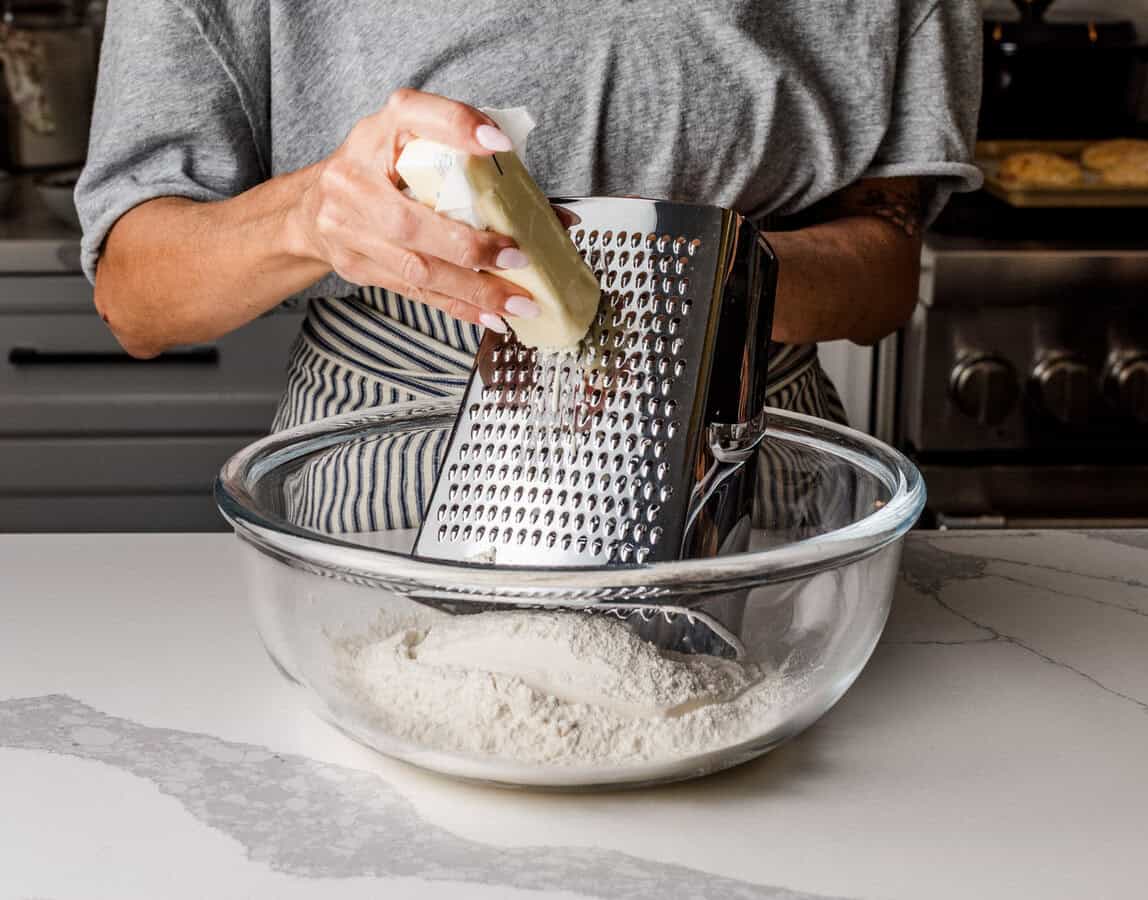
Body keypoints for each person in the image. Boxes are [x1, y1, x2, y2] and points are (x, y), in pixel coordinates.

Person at [77, 1, 982, 533]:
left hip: (753, 480)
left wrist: (690, 287)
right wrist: (315, 215)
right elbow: (136, 298)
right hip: (389, 480)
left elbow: (884, 266)